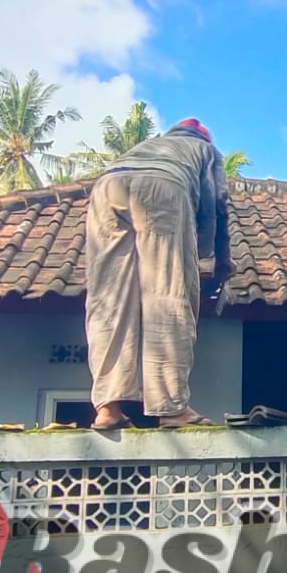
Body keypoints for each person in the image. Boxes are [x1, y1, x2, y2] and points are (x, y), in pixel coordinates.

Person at [84, 118, 233, 430]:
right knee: (166, 295)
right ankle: (171, 408)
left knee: (109, 298)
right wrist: (217, 259)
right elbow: (217, 204)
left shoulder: (148, 146)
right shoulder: (206, 149)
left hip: (106, 187)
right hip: (163, 186)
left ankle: (108, 408)